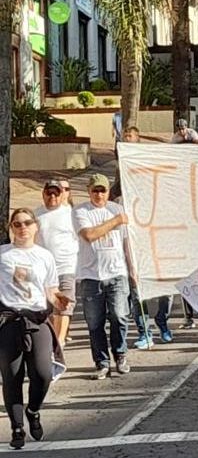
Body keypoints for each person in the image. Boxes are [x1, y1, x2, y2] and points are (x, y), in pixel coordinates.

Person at [0, 209, 70, 449]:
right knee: (12, 377)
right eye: (17, 224)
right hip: (9, 320)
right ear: (11, 227)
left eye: (27, 223)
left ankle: (33, 410)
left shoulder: (44, 256)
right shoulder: (3, 255)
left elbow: (50, 289)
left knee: (42, 373)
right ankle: (17, 428)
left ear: (35, 226)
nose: (22, 227)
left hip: (36, 320)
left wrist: (58, 298)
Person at [74, 174, 135, 380]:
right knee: (94, 322)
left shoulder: (117, 208)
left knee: (119, 315)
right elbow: (89, 235)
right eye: (95, 190)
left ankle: (120, 354)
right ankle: (101, 362)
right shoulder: (81, 211)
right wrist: (116, 221)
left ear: (108, 191)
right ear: (89, 191)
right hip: (92, 275)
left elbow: (127, 242)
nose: (99, 194)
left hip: (117, 272)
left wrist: (132, 268)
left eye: (102, 190)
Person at [34, 180, 78, 350]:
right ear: (43, 194)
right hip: (43, 271)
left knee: (64, 306)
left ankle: (59, 342)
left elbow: (79, 239)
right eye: (49, 193)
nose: (52, 196)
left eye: (56, 193)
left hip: (66, 266)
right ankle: (52, 339)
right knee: (48, 308)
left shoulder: (71, 214)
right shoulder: (36, 215)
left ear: (62, 195)